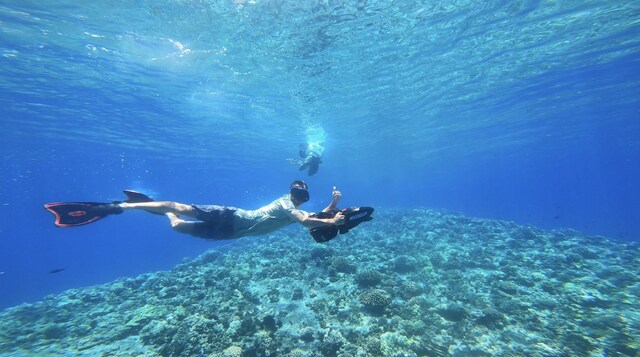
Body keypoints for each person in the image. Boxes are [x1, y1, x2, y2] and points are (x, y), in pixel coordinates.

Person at [45, 181, 346, 241]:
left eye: (300, 193)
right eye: (297, 192)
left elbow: (312, 217)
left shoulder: (295, 208)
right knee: (181, 207)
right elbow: (307, 222)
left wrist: (333, 206)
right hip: (234, 219)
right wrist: (334, 218)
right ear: (295, 196)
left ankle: (151, 207)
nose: (298, 196)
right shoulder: (287, 205)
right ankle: (116, 206)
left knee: (176, 221)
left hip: (231, 233)